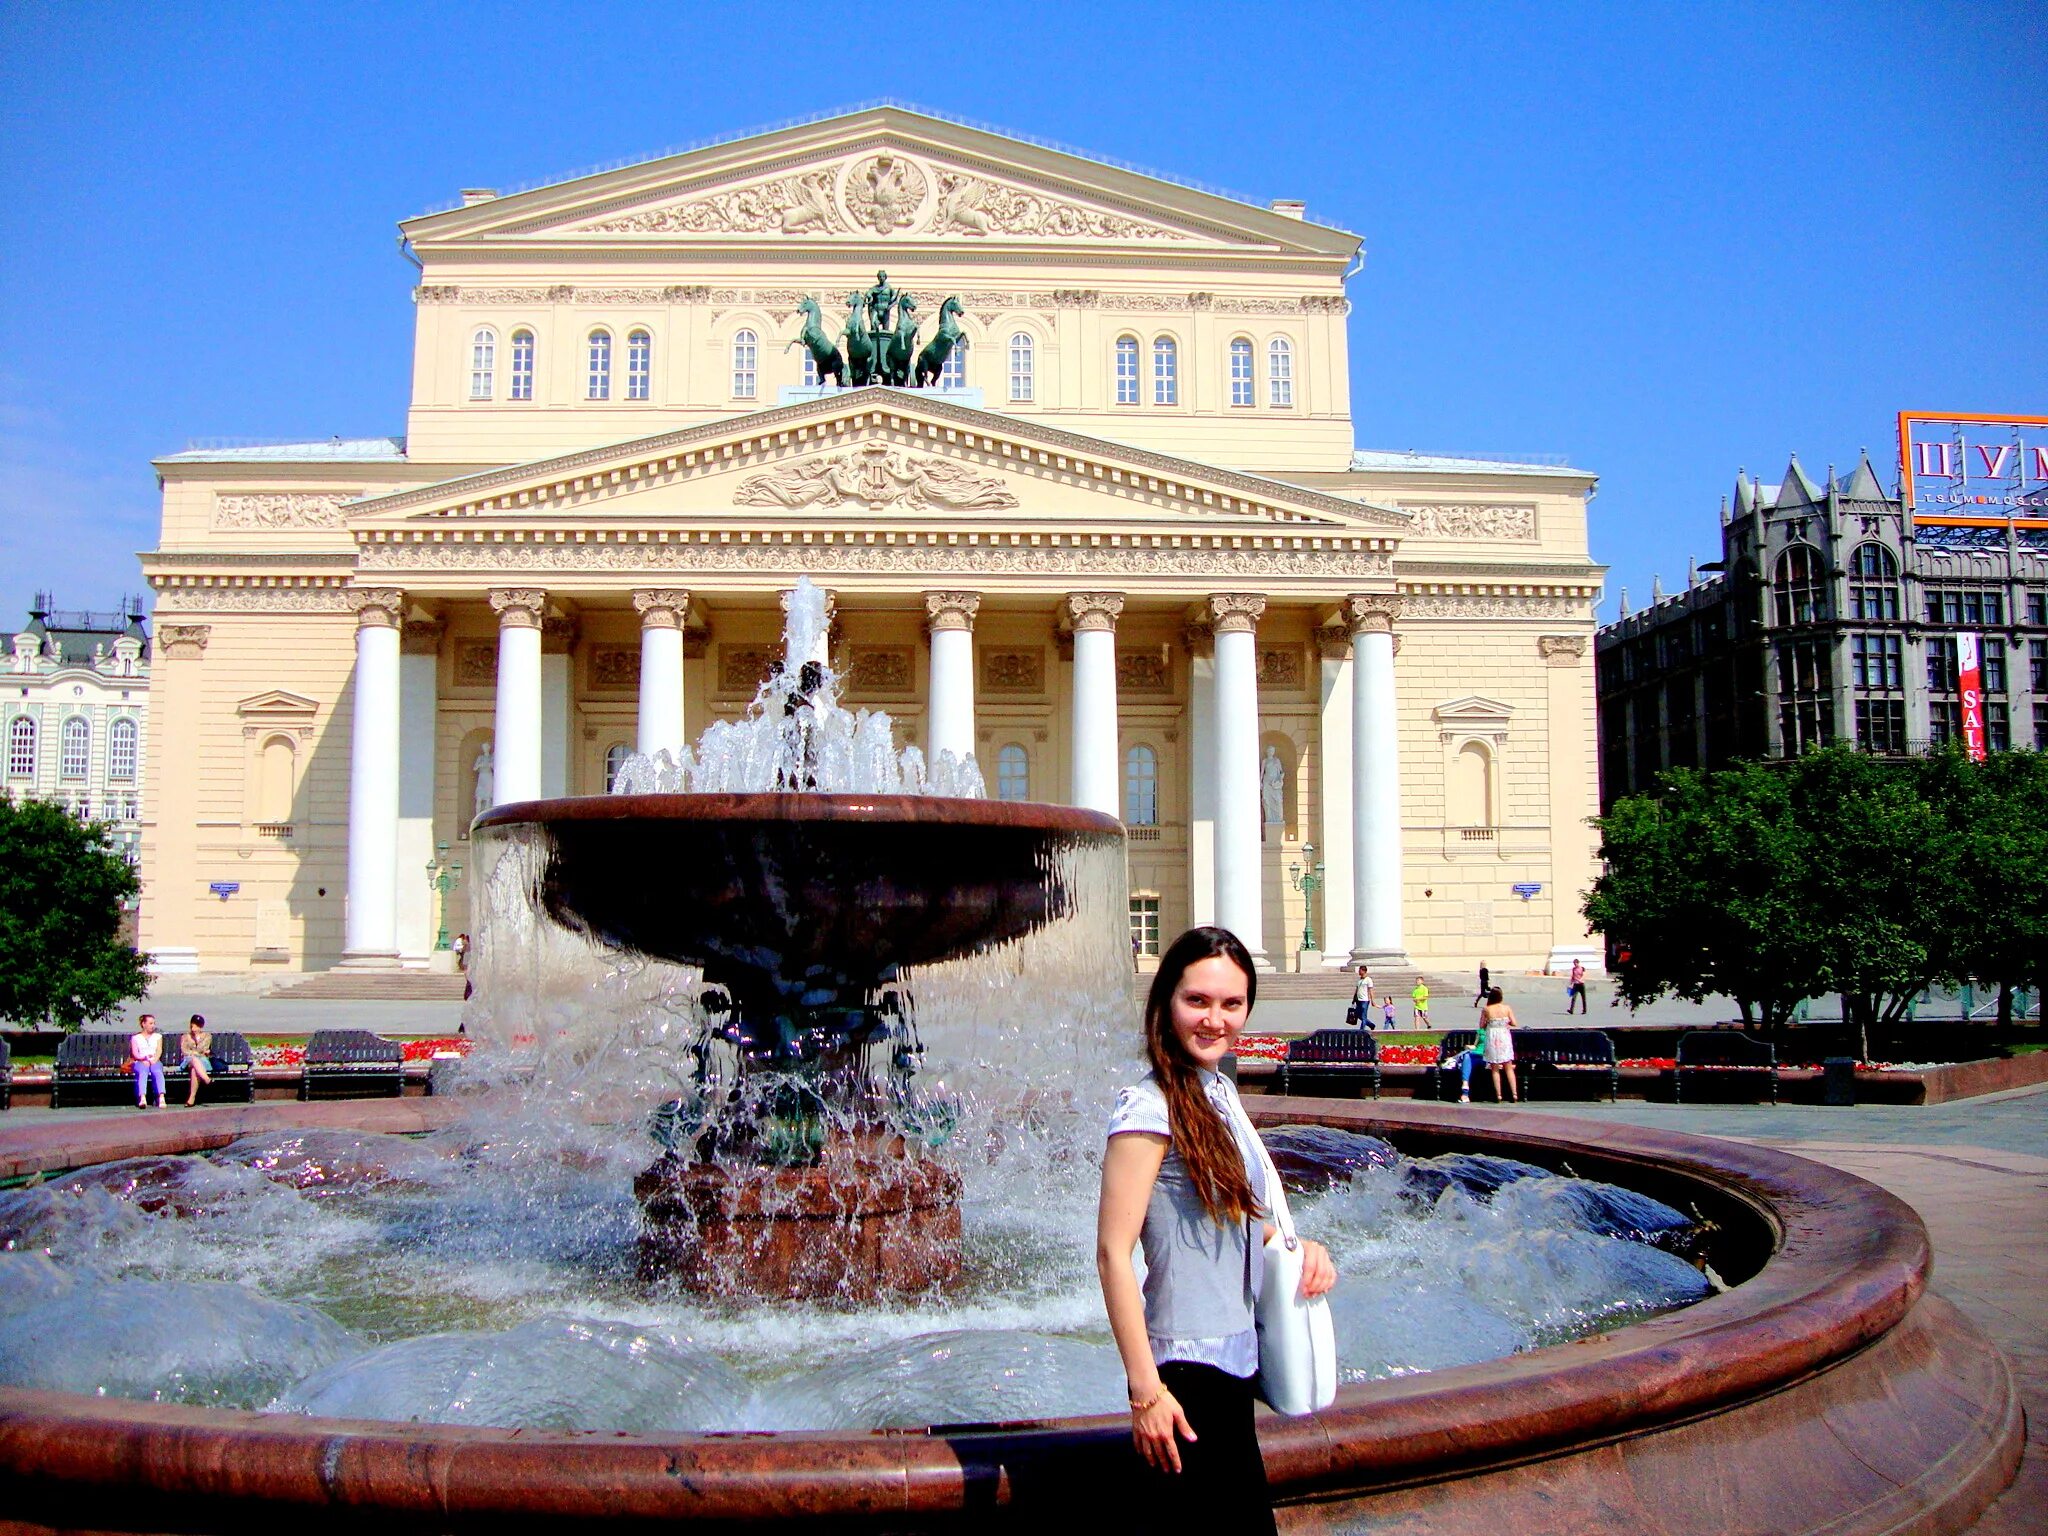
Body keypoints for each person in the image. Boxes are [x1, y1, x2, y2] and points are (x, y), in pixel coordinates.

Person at [1097, 926, 1336, 1532]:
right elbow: (1112, 1254)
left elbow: (1241, 1225)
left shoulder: (1218, 1092)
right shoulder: (1147, 1106)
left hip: (1235, 1369)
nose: (1214, 1019)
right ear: (1165, 1004)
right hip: (1182, 1379)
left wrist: (1303, 1250)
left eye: (1231, 1004)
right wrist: (1145, 1391)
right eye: (1197, 1001)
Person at [1480, 986, 1520, 1103]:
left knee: (1495, 1067)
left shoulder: (1487, 1009)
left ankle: (1498, 1095)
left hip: (1492, 1036)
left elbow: (1481, 1025)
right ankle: (1514, 1094)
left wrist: (1490, 1022)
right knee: (1508, 1066)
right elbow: (1514, 1022)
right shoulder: (1507, 1008)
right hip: (1504, 1035)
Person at [129, 1014, 165, 1109]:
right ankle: (142, 1097)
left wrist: (154, 1059)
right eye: (150, 1023)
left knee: (157, 1071)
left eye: (153, 1023)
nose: (153, 1025)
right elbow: (135, 1053)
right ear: (143, 1024)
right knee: (143, 1072)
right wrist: (143, 1059)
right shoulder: (136, 1038)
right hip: (141, 1061)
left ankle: (161, 1096)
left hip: (154, 1060)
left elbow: (159, 1050)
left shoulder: (158, 1036)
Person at [182, 1014, 213, 1107]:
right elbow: (185, 1050)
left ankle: (191, 1098)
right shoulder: (186, 1036)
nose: (194, 1028)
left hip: (203, 1061)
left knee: (194, 1070)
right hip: (188, 1060)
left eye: (197, 1026)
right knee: (194, 1060)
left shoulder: (207, 1036)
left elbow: (205, 1049)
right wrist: (196, 1053)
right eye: (193, 1026)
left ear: (201, 1026)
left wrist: (195, 1051)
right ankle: (206, 1079)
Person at [1348, 964, 1373, 1029]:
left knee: (1364, 1016)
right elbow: (1356, 990)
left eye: (1360, 970)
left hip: (1365, 1000)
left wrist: (1372, 1000)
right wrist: (1354, 999)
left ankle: (1361, 1030)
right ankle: (1371, 1025)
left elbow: (1370, 990)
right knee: (1358, 1015)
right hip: (1358, 1000)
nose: (1359, 972)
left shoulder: (1368, 980)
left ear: (1364, 971)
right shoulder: (1359, 980)